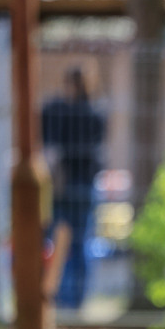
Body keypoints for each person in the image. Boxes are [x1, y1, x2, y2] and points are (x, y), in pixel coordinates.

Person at [41, 66, 105, 310]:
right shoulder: (96, 112)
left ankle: (67, 298)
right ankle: (71, 299)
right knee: (77, 243)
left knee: (66, 244)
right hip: (79, 186)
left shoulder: (62, 111)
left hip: (68, 187)